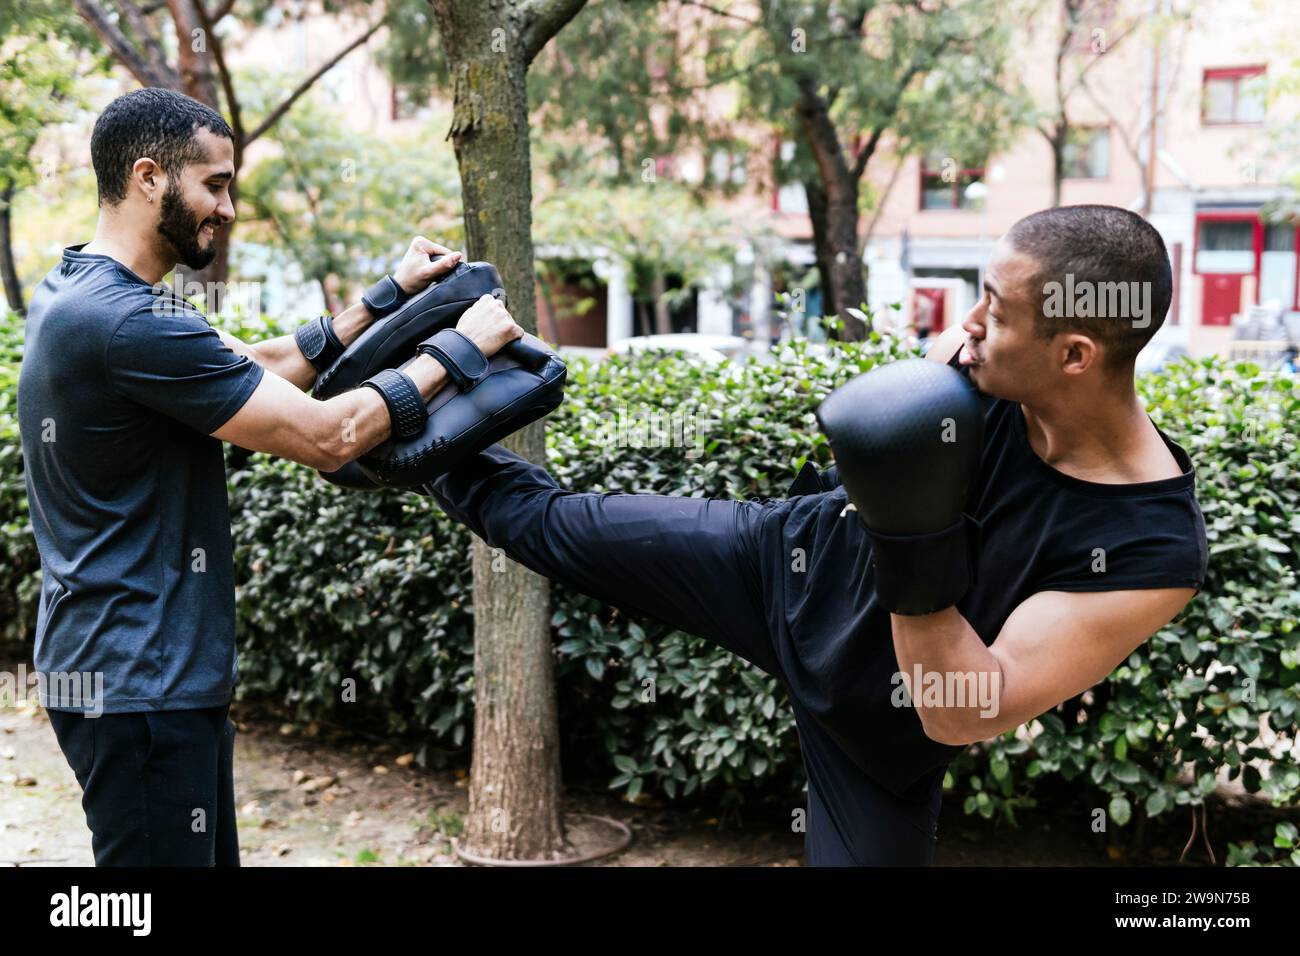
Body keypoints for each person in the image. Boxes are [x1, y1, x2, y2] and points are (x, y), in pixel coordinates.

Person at [421, 204, 1208, 865]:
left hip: (876, 732)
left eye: (997, 312)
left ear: (1074, 354)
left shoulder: (1152, 551)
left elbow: (966, 710)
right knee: (543, 522)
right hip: (777, 564)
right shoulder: (977, 370)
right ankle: (399, 411)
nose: (966, 326)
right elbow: (889, 434)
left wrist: (913, 532)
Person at [18, 87, 524, 866]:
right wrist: (459, 350)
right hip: (140, 679)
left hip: (130, 671)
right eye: (213, 185)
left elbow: (260, 369)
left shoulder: (85, 292)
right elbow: (330, 435)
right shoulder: (129, 322)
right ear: (149, 178)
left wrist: (386, 300)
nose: (226, 207)